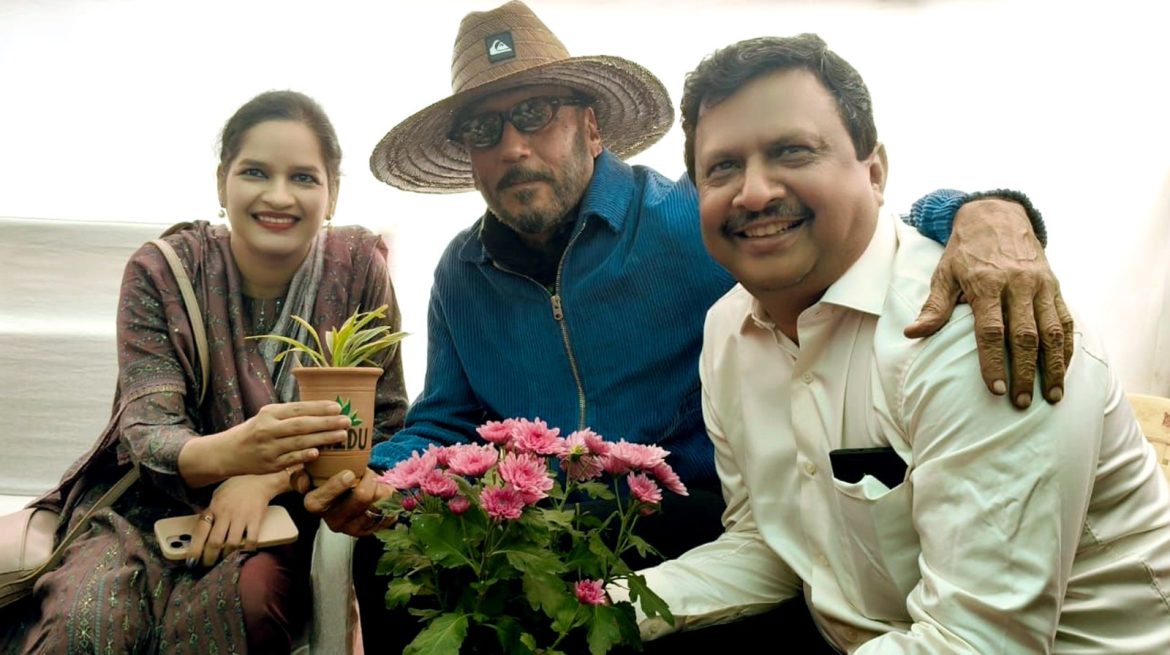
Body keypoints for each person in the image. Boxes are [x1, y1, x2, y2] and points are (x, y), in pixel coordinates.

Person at [301, 1, 1069, 647]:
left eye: (534, 114)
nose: (513, 147)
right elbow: (445, 417)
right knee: (385, 558)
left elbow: (841, 224)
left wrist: (982, 213)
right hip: (527, 527)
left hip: (688, 522)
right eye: (484, 129)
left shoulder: (688, 221)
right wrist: (379, 474)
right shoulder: (460, 272)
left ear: (592, 126)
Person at [617, 34, 1170, 652]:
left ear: (875, 172)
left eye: (792, 151)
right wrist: (599, 606)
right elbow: (768, 545)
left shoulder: (974, 329)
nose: (754, 192)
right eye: (722, 167)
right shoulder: (728, 330)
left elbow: (975, 640)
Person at [0, 90, 407, 654]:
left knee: (243, 609)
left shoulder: (358, 269)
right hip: (143, 507)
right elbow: (148, 432)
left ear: (332, 193)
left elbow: (382, 422)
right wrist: (236, 453)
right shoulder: (163, 271)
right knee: (89, 621)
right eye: (255, 172)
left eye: (304, 178)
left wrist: (265, 481)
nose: (278, 195)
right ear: (222, 183)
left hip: (280, 516)